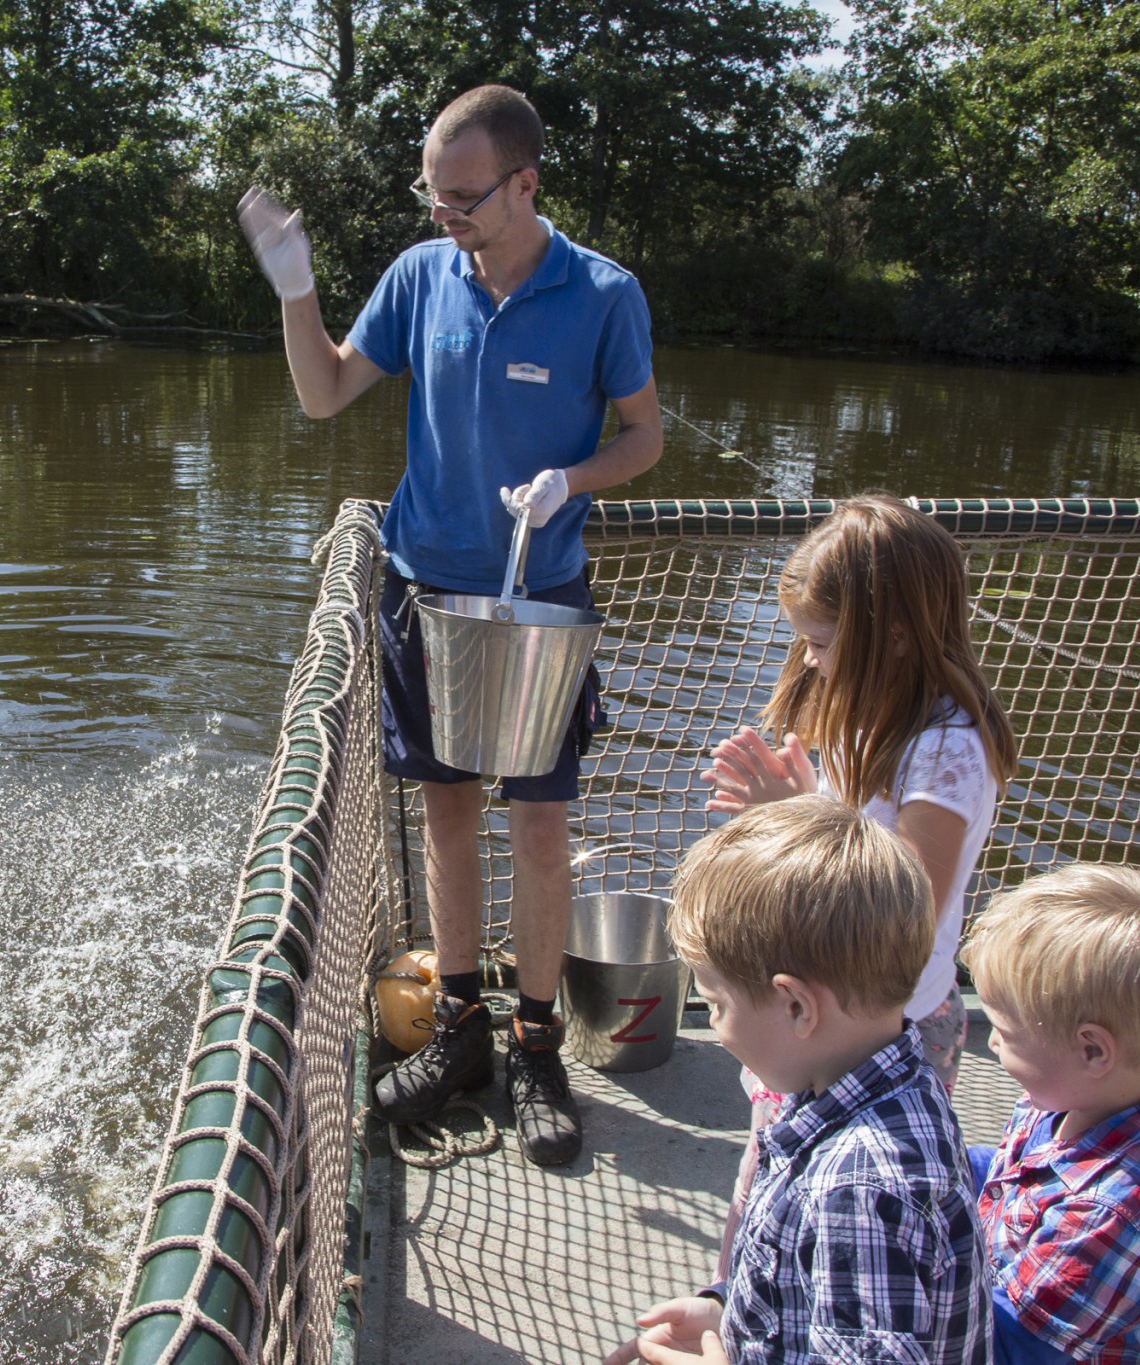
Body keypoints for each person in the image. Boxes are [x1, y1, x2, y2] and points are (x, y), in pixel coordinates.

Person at [236, 84, 662, 1164]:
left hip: (536, 601)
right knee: (446, 817)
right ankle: (461, 1026)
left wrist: (571, 478)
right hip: (423, 589)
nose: (444, 217)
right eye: (431, 196)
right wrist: (296, 294)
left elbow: (644, 437)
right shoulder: (421, 275)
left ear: (526, 183)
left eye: (464, 198)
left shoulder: (602, 293)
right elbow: (325, 394)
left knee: (538, 827)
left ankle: (535, 1045)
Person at [699, 493, 1018, 1272]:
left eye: (819, 640)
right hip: (824, 1008)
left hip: (885, 1028)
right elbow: (860, 839)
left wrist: (797, 817)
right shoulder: (876, 714)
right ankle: (743, 1303)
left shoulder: (947, 752)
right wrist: (804, 805)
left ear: (895, 636)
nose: (807, 659)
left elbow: (902, 911)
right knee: (772, 1185)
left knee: (859, 1209)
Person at [605, 796, 988, 1365]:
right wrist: (729, 1306)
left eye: (714, 1004)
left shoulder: (859, 1194)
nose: (716, 1026)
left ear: (795, 1007)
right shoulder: (887, 1077)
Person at [959, 863, 1140, 1365]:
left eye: (1005, 1032)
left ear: (1092, 1051)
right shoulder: (1068, 1095)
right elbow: (1012, 1174)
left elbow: (1005, 1348)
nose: (991, 1043)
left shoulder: (1106, 1215)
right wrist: (939, 1161)